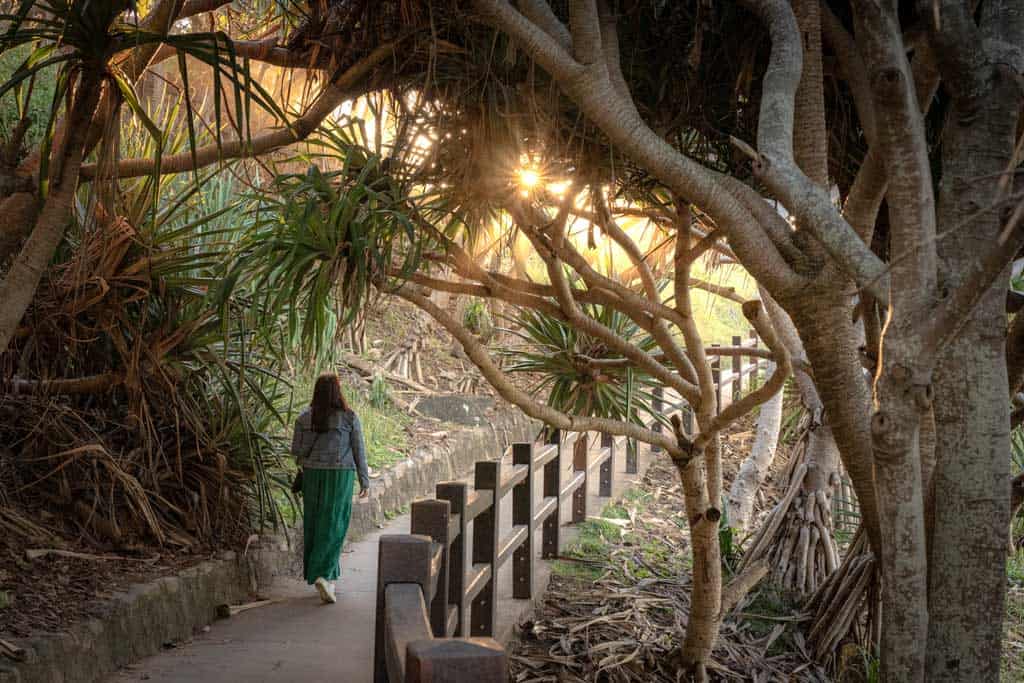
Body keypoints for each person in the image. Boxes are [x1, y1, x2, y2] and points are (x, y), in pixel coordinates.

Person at [291, 373, 370, 604]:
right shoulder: (349, 417)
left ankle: (325, 576)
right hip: (339, 476)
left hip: (313, 476)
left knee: (315, 522)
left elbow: (296, 451)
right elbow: (359, 450)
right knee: (335, 522)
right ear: (338, 392)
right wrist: (365, 480)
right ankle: (323, 575)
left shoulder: (304, 417)